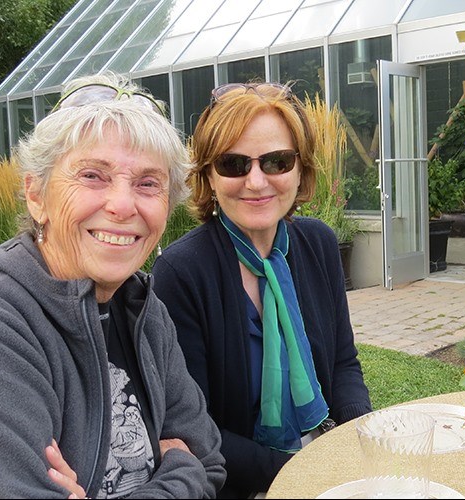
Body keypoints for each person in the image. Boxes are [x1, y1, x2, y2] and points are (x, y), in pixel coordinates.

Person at [0, 72, 226, 498]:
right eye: (93, 176)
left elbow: (211, 463)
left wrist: (189, 468)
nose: (123, 205)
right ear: (37, 195)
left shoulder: (143, 310)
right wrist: (182, 470)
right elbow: (196, 466)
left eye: (148, 183)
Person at [151, 82, 372, 498]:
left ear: (301, 169)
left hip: (324, 462)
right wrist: (302, 473)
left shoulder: (319, 244)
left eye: (276, 161)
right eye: (233, 164)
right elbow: (196, 428)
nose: (256, 181)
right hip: (240, 482)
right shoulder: (181, 272)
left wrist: (359, 437)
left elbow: (343, 362)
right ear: (208, 175)